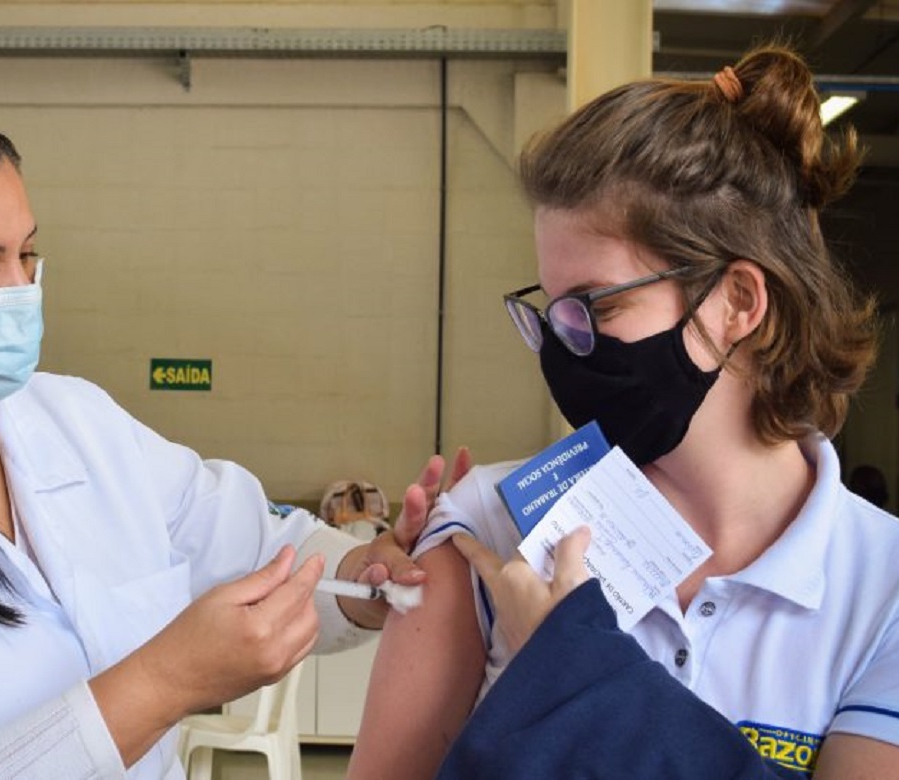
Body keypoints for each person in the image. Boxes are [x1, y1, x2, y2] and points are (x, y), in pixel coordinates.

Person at [0, 96, 464, 779]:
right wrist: (166, 680)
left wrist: (369, 577)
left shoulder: (76, 422)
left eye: (25, 255)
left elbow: (267, 551)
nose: (17, 291)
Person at [348, 44, 899, 780]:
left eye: (599, 307)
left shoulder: (884, 585)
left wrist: (570, 667)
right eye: (549, 311)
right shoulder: (488, 529)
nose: (565, 347)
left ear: (738, 302)